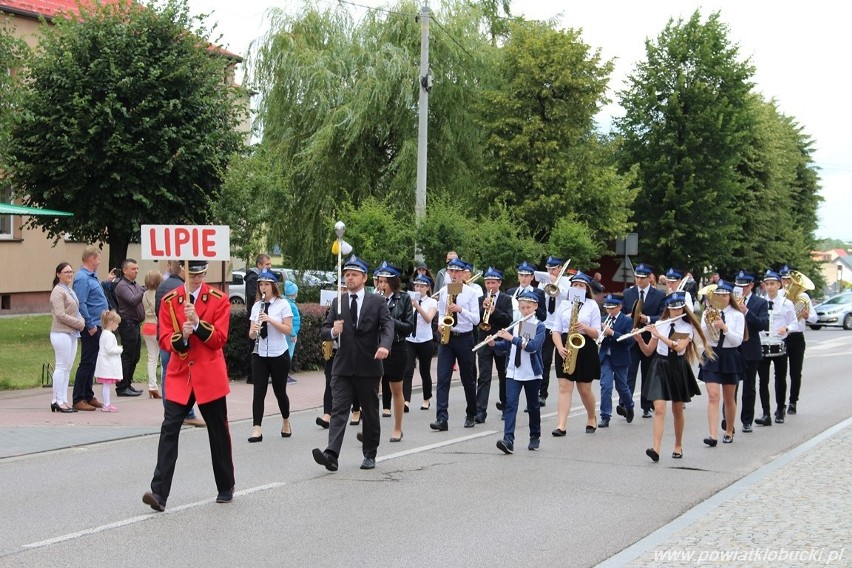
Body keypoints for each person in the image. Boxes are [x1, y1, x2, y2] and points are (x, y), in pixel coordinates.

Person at [143, 260, 234, 512]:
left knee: (218, 430)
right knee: (169, 428)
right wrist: (181, 337)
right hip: (180, 374)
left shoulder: (219, 299)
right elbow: (163, 339)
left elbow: (219, 339)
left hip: (209, 374)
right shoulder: (171, 300)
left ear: (205, 273)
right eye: (191, 274)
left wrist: (196, 325)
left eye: (200, 274)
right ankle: (159, 493)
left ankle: (226, 486)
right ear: (184, 272)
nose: (196, 278)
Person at [312, 255, 393, 472]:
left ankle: (369, 453)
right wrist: (332, 331)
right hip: (343, 365)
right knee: (339, 409)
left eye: (354, 275)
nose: (349, 278)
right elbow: (324, 329)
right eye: (347, 274)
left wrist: (384, 346)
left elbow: (387, 327)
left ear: (364, 278)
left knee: (369, 411)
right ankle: (331, 454)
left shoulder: (377, 301)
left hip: (369, 364)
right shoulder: (339, 302)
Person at [635, 292, 711, 462]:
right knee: (659, 408)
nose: (676, 312)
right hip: (660, 366)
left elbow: (678, 347)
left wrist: (659, 334)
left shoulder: (686, 327)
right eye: (673, 308)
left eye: (679, 308)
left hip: (677, 367)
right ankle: (656, 449)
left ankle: (678, 445)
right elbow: (648, 351)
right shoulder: (661, 323)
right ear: (668, 308)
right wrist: (640, 339)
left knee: (677, 409)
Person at [490, 291, 546, 454]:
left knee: (533, 406)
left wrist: (510, 338)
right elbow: (507, 347)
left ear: (535, 307)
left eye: (528, 307)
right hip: (513, 372)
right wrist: (494, 343)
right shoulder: (515, 324)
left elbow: (531, 347)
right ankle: (508, 440)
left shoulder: (539, 326)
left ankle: (534, 436)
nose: (525, 310)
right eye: (522, 307)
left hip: (531, 372)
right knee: (510, 405)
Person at [430, 258, 481, 431]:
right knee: (443, 379)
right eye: (451, 271)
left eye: (457, 272)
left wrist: (460, 310)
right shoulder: (445, 291)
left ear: (463, 273)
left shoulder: (471, 293)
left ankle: (471, 413)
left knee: (468, 378)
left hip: (465, 337)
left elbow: (476, 319)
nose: (453, 275)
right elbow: (441, 312)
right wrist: (440, 324)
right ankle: (441, 418)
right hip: (448, 338)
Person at [155, 260, 205, 428]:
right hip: (179, 337)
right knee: (182, 375)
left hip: (165, 335)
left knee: (168, 374)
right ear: (183, 271)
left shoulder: (163, 284)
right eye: (192, 274)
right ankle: (186, 412)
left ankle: (169, 410)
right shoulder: (178, 288)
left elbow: (159, 312)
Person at [551, 272, 601, 436]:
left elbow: (596, 333)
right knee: (564, 387)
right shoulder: (564, 304)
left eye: (581, 286)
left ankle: (592, 417)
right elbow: (556, 330)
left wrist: (584, 327)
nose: (578, 288)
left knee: (584, 389)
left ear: (586, 289)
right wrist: (559, 348)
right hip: (565, 344)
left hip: (585, 345)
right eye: (575, 285)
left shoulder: (592, 305)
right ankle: (561, 425)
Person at [697, 280, 746, 446]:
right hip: (712, 353)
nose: (721, 297)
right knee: (713, 396)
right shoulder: (708, 313)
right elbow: (704, 335)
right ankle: (712, 435)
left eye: (724, 295)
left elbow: (738, 340)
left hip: (730, 355)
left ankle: (729, 430)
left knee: (729, 397)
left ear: (729, 296)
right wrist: (709, 323)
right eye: (718, 295)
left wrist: (725, 328)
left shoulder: (737, 315)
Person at [247, 270, 294, 442]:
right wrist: (253, 331)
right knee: (258, 391)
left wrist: (271, 320)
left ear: (273, 286)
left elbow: (288, 330)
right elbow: (251, 334)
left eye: (266, 284)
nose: (263, 287)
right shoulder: (256, 306)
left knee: (279, 391)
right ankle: (257, 429)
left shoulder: (283, 305)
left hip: (278, 354)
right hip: (259, 354)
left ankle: (286, 421)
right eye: (261, 284)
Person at [374, 262, 415, 441]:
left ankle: (398, 428)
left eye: (385, 282)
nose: (381, 285)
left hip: (397, 348)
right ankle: (371, 428)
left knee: (396, 389)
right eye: (379, 281)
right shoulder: (374, 298)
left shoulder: (403, 298)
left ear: (393, 282)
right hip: (376, 347)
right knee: (371, 389)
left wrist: (389, 319)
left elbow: (409, 327)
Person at [622, 263, 666, 418]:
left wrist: (646, 319)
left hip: (649, 338)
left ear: (649, 277)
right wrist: (627, 318)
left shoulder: (659, 295)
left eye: (642, 278)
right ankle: (626, 404)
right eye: (637, 277)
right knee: (630, 372)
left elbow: (662, 317)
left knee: (648, 373)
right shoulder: (628, 293)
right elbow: (622, 314)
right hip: (633, 338)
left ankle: (646, 405)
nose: (639, 280)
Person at [755, 269, 797, 426]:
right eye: (767, 284)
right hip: (764, 344)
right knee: (763, 380)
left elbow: (794, 322)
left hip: (779, 344)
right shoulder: (760, 303)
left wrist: (786, 329)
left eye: (772, 284)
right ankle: (766, 413)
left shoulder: (787, 304)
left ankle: (780, 409)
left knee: (780, 379)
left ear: (779, 285)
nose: (770, 287)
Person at [71, 245, 109, 411]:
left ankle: (88, 394)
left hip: (98, 324)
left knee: (93, 361)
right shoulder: (82, 278)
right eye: (98, 258)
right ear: (91, 259)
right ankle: (78, 398)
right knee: (87, 362)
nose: (99, 262)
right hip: (91, 326)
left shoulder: (92, 276)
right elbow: (81, 303)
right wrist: (90, 324)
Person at [475, 267, 514, 423]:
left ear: (499, 283)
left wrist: (494, 311)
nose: (490, 286)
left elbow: (508, 320)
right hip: (484, 340)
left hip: (500, 340)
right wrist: (482, 309)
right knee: (484, 376)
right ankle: (480, 411)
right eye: (487, 282)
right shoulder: (480, 299)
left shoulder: (506, 299)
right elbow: (476, 320)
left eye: (493, 282)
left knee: (503, 375)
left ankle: (505, 406)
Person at [733, 270, 768, 433]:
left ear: (751, 285)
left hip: (750, 348)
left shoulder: (760, 302)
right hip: (733, 347)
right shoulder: (730, 300)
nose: (741, 289)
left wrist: (746, 311)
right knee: (730, 386)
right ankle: (728, 420)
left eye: (744, 286)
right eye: (738, 286)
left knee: (749, 387)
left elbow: (762, 324)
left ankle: (746, 420)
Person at [779, 265, 817, 415]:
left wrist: (807, 316)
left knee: (796, 372)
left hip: (796, 337)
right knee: (780, 372)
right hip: (782, 336)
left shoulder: (804, 296)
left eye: (789, 279)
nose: (787, 282)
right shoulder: (778, 295)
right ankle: (780, 404)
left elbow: (814, 318)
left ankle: (793, 402)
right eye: (784, 279)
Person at [49, 262, 85, 413]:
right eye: (66, 272)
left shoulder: (69, 290)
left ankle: (64, 399)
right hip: (61, 333)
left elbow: (76, 310)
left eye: (71, 271)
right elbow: (60, 314)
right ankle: (56, 400)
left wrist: (81, 320)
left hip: (71, 333)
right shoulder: (58, 291)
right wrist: (78, 323)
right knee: (61, 367)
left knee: (68, 368)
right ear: (58, 274)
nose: (69, 274)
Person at [596, 294, 635, 427]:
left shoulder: (627, 321)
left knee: (622, 387)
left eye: (612, 308)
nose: (609, 311)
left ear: (620, 306)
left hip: (621, 358)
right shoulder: (602, 319)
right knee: (605, 386)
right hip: (605, 357)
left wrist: (612, 333)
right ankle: (605, 416)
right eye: (607, 308)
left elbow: (629, 340)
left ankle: (629, 406)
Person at [537, 256, 571, 408]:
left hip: (561, 327)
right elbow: (537, 299)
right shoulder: (542, 281)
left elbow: (569, 298)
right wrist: (547, 284)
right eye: (548, 269)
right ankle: (542, 394)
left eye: (553, 269)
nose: (550, 271)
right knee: (544, 360)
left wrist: (556, 285)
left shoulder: (567, 282)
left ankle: (566, 390)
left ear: (560, 268)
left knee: (562, 359)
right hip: (546, 325)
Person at [403, 274, 437, 411]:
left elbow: (429, 318)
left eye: (422, 286)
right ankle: (406, 401)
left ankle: (426, 398)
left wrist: (417, 306)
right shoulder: (407, 301)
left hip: (425, 340)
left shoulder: (432, 302)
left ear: (428, 288)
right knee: (408, 370)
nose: (419, 289)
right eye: (416, 286)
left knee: (424, 370)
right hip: (410, 339)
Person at [114, 259, 145, 397]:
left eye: (137, 268)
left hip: (135, 324)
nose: (136, 271)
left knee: (135, 356)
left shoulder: (134, 284)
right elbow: (133, 300)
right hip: (127, 324)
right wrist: (144, 290)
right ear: (125, 270)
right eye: (133, 269)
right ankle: (121, 386)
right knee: (127, 355)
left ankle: (128, 383)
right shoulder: (122, 286)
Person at [244, 253, 272, 383]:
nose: (269, 267)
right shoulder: (253, 277)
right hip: (254, 314)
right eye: (267, 264)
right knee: (253, 344)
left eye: (270, 264)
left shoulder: (262, 277)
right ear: (259, 265)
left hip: (262, 312)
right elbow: (251, 296)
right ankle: (252, 376)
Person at [94, 310, 123, 412]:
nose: (118, 326)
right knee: (106, 385)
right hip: (107, 364)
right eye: (117, 324)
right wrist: (120, 349)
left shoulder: (104, 334)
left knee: (106, 385)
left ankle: (107, 403)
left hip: (105, 363)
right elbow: (109, 349)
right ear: (112, 323)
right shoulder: (109, 335)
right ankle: (106, 404)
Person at [141, 269, 163, 398]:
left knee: (151, 358)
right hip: (157, 327)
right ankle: (164, 385)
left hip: (147, 326)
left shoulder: (144, 294)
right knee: (163, 358)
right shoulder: (159, 294)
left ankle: (152, 386)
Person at [283, 281, 301, 384]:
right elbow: (291, 321)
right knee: (288, 355)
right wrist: (293, 334)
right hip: (290, 335)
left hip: (287, 333)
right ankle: (285, 375)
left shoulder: (285, 302)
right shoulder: (291, 305)